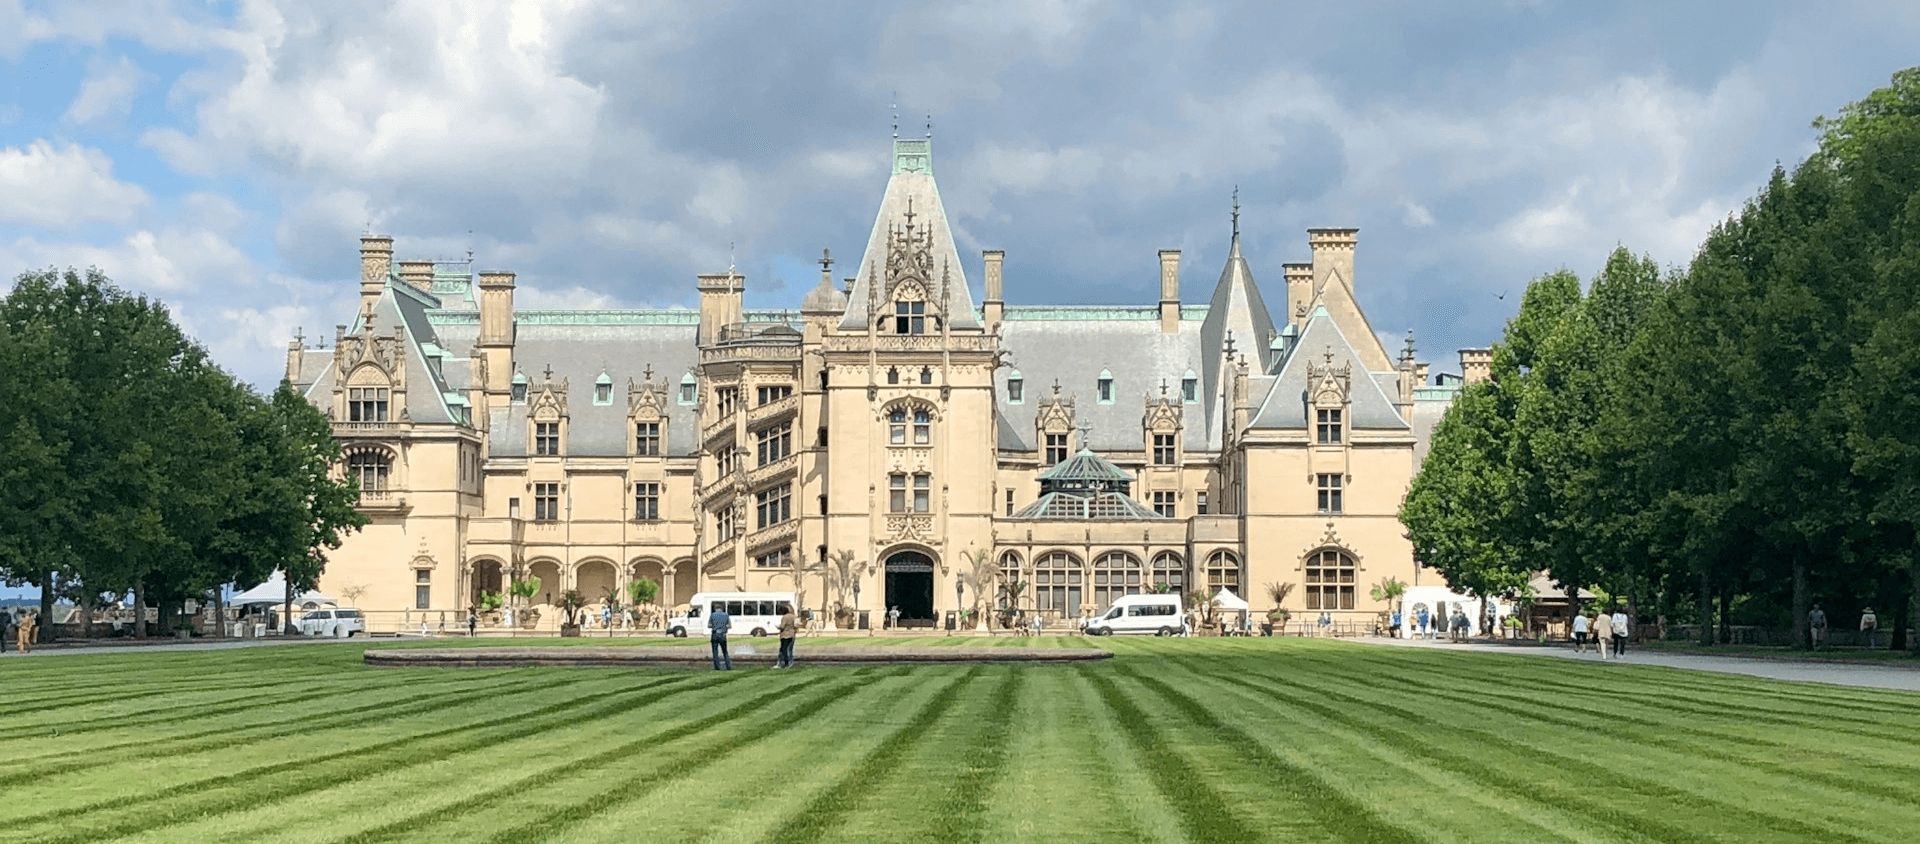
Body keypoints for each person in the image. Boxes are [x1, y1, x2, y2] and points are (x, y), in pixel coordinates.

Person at [709, 604, 732, 670]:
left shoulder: (712, 615)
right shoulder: (726, 615)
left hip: (715, 634)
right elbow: (729, 626)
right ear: (722, 608)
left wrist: (714, 626)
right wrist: (724, 627)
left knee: (715, 652)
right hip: (723, 635)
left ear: (715, 608)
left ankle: (717, 666)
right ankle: (728, 666)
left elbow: (709, 625)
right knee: (725, 651)